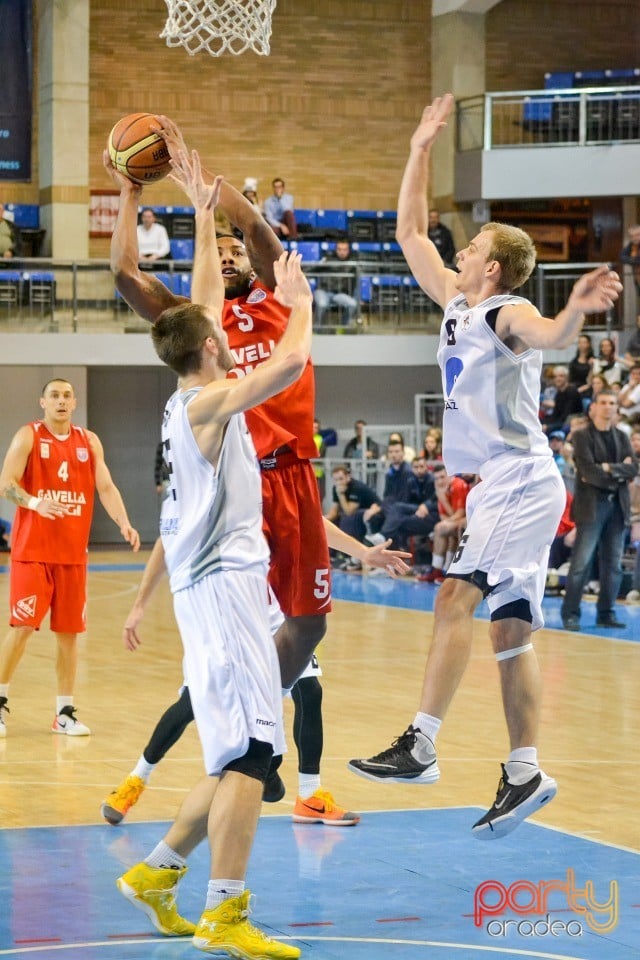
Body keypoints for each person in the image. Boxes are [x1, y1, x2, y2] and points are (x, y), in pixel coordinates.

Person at [348, 94, 622, 840]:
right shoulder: (454, 304)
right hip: (513, 482)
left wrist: (575, 314)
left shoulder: (505, 311)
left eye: (468, 250)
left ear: (492, 266)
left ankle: (422, 744)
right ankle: (526, 768)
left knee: (451, 602)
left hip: (518, 476)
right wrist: (419, 145)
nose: (456, 253)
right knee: (510, 632)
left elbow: (548, 334)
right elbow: (408, 231)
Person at [113, 151, 308, 958]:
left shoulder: (183, 389)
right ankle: (226, 913)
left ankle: (159, 871)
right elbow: (292, 361)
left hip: (212, 592)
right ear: (213, 349)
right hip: (225, 593)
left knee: (238, 753)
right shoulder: (209, 404)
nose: (228, 331)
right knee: (256, 755)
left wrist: (199, 216)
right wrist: (298, 301)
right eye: (220, 333)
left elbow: (198, 303)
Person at [107, 115, 329, 691]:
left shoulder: (282, 293)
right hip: (238, 481)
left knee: (309, 626)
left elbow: (253, 225)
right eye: (218, 252)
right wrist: (129, 193)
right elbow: (127, 276)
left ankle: (261, 704)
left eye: (237, 253)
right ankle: (234, 718)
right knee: (237, 619)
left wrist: (195, 177)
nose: (228, 256)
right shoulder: (198, 322)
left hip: (295, 472)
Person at [101, 513, 408, 828]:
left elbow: (309, 518)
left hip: (271, 607)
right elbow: (166, 544)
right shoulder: (197, 488)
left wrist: (363, 553)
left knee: (310, 691)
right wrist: (139, 605)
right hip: (223, 617)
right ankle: (136, 780)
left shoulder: (264, 477)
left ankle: (310, 796)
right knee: (191, 703)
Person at [0, 378, 139, 738]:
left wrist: (124, 522)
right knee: (22, 628)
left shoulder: (88, 442)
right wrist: (35, 502)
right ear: (42, 402)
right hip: (32, 553)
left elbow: (105, 486)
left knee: (69, 634)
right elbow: (6, 483)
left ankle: (63, 714)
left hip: (72, 556)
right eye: (54, 396)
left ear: (74, 403)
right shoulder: (28, 436)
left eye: (66, 396)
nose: (61, 401)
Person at [560, 389, 638, 632]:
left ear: (616, 408)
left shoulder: (623, 437)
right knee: (581, 563)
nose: (608, 407)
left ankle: (606, 612)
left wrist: (606, 469)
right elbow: (588, 473)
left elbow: (633, 468)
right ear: (593, 407)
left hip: (617, 506)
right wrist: (617, 472)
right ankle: (571, 614)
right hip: (592, 508)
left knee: (612, 564)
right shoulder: (582, 436)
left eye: (612, 403)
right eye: (603, 402)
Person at [416, 465, 469, 583]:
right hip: (457, 520)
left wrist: (443, 499)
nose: (439, 481)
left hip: (467, 519)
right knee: (442, 528)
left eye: (442, 477)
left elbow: (460, 513)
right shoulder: (441, 490)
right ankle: (440, 569)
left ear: (449, 474)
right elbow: (443, 516)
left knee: (441, 528)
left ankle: (442, 569)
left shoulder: (458, 484)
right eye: (436, 479)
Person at [324, 463, 379, 564]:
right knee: (333, 522)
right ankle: (331, 555)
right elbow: (334, 512)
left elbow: (349, 511)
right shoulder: (336, 488)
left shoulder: (356, 487)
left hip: (373, 515)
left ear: (348, 477)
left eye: (341, 479)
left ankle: (349, 557)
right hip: (357, 516)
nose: (339, 482)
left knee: (347, 519)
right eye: (336, 480)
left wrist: (341, 495)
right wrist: (320, 520)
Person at [312, 239, 359, 327]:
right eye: (339, 249)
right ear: (336, 250)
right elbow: (312, 270)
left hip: (339, 294)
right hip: (323, 291)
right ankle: (317, 328)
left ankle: (344, 327)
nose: (342, 252)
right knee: (322, 304)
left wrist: (356, 297)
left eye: (345, 250)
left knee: (352, 304)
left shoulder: (352, 264)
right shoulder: (328, 259)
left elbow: (356, 283)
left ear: (349, 251)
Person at [540, 365, 583, 434]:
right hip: (560, 421)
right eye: (555, 377)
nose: (558, 379)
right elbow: (555, 414)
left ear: (567, 378)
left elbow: (565, 417)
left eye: (561, 376)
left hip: (570, 423)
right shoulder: (559, 393)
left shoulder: (572, 392)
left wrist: (548, 426)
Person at [568, 332, 594, 398]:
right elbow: (570, 379)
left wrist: (592, 367)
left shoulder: (593, 360)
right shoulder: (573, 362)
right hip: (575, 389)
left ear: (589, 344)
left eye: (584, 342)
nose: (582, 344)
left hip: (589, 389)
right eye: (580, 342)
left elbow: (593, 380)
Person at [620, 224, 640, 297]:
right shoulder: (632, 245)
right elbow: (622, 257)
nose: (635, 238)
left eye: (637, 235)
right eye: (632, 236)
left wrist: (632, 260)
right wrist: (634, 260)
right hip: (637, 278)